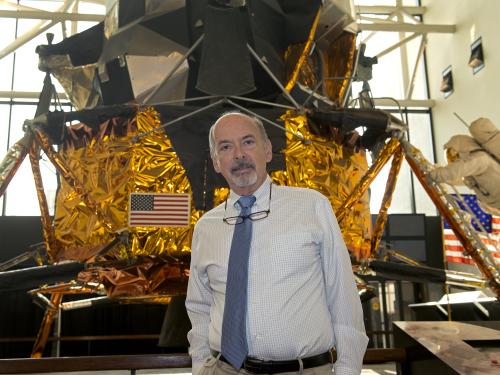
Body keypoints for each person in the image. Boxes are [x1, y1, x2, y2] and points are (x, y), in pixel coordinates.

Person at [185, 111, 368, 375]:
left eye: (248, 142)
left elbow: (342, 295)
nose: (238, 154)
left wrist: (348, 369)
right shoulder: (206, 227)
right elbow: (199, 306)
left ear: (267, 150)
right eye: (226, 147)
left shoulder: (311, 206)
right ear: (216, 162)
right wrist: (201, 365)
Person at [428, 133, 500, 215]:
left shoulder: (480, 159)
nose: (454, 160)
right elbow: (461, 180)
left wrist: (433, 175)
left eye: (453, 156)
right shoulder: (479, 164)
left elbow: (456, 170)